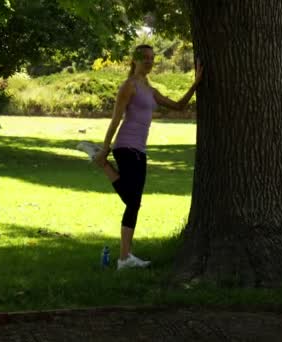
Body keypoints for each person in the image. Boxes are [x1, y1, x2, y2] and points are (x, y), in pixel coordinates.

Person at [77, 44, 203, 270]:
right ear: (134, 60)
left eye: (152, 58)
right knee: (133, 201)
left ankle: (125, 257)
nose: (149, 62)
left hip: (140, 151)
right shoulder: (129, 86)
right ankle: (124, 258)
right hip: (125, 146)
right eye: (144, 58)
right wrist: (106, 147)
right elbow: (116, 119)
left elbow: (179, 106)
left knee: (132, 202)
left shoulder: (151, 90)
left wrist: (195, 83)